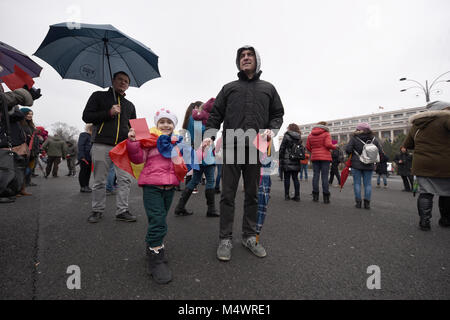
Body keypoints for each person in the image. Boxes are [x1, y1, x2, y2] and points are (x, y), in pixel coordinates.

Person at [204, 45, 284, 261]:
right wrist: (209, 136)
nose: (245, 58)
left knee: (252, 194)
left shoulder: (268, 88)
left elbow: (278, 114)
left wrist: (272, 129)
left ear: (257, 60)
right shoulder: (229, 88)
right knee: (227, 194)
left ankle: (250, 236)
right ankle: (225, 238)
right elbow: (215, 114)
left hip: (255, 148)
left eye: (249, 55)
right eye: (242, 56)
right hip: (231, 146)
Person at [126, 108, 184, 284]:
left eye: (169, 122)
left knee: (159, 219)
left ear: (174, 125)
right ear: (157, 124)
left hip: (170, 187)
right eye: (162, 122)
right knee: (158, 221)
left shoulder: (177, 142)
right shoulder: (149, 141)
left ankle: (152, 247)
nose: (165, 125)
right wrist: (133, 142)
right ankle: (156, 258)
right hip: (152, 186)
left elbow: (184, 162)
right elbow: (137, 159)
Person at [82, 71, 137, 223]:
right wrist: (109, 112)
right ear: (113, 80)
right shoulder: (98, 96)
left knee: (125, 180)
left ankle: (122, 211)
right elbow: (86, 116)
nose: (123, 83)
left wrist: (134, 132)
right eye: (120, 79)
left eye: (126, 81)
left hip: (123, 146)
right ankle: (97, 210)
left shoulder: (130, 105)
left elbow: (135, 126)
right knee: (100, 180)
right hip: (101, 143)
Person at [402, 100, 450, 231]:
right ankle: (445, 220)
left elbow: (407, 144)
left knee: (425, 193)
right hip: (445, 162)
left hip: (422, 164)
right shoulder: (446, 118)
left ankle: (424, 222)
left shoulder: (417, 124)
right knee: (446, 193)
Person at [174, 99, 219, 217]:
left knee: (194, 179)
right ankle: (211, 209)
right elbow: (206, 136)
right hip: (206, 153)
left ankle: (180, 206)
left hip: (196, 153)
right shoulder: (200, 121)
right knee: (210, 180)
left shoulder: (189, 119)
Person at [0, 85, 40, 203]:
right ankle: (7, 189)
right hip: (9, 141)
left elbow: (16, 115)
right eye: (29, 114)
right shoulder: (21, 119)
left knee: (19, 167)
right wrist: (18, 97)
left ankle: (17, 188)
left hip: (18, 142)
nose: (29, 116)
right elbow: (17, 115)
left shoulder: (29, 124)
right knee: (8, 168)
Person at [345, 122, 382, 209]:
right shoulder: (373, 139)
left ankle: (358, 203)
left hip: (356, 164)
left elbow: (348, 150)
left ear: (358, 130)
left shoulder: (354, 138)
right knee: (368, 184)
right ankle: (367, 203)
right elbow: (379, 151)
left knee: (357, 183)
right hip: (369, 164)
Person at [306, 121, 336, 204]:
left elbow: (308, 147)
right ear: (324, 126)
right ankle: (326, 197)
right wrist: (334, 147)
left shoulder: (310, 135)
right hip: (325, 157)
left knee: (316, 175)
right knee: (325, 177)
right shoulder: (326, 134)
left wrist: (314, 151)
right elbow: (328, 145)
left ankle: (315, 196)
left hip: (315, 157)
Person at [279, 123, 302, 201]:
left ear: (289, 128)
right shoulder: (299, 137)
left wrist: (280, 157)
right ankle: (297, 196)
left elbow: (282, 147)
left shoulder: (287, 136)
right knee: (295, 178)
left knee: (287, 178)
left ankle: (287, 195)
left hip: (287, 159)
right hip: (296, 159)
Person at [19, 108, 40, 191]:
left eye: (31, 114)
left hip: (33, 151)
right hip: (24, 150)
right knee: (23, 169)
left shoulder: (31, 126)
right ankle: (20, 185)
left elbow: (34, 139)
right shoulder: (20, 125)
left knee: (29, 168)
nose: (30, 115)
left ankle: (26, 183)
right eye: (28, 114)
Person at [77, 123, 93, 193]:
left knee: (88, 172)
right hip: (84, 157)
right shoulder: (84, 135)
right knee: (83, 171)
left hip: (90, 157)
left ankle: (86, 185)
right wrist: (82, 156)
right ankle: (82, 187)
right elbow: (81, 146)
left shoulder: (92, 136)